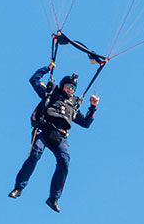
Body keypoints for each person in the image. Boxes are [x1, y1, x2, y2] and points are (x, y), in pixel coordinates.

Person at [8, 62, 100, 212]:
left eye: (73, 88)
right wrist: (47, 69)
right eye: (68, 86)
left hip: (60, 137)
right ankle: (18, 188)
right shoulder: (51, 93)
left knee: (64, 163)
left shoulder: (73, 105)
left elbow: (85, 123)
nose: (70, 89)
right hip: (44, 129)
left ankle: (53, 198)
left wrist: (93, 106)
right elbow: (34, 80)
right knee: (35, 155)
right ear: (63, 85)